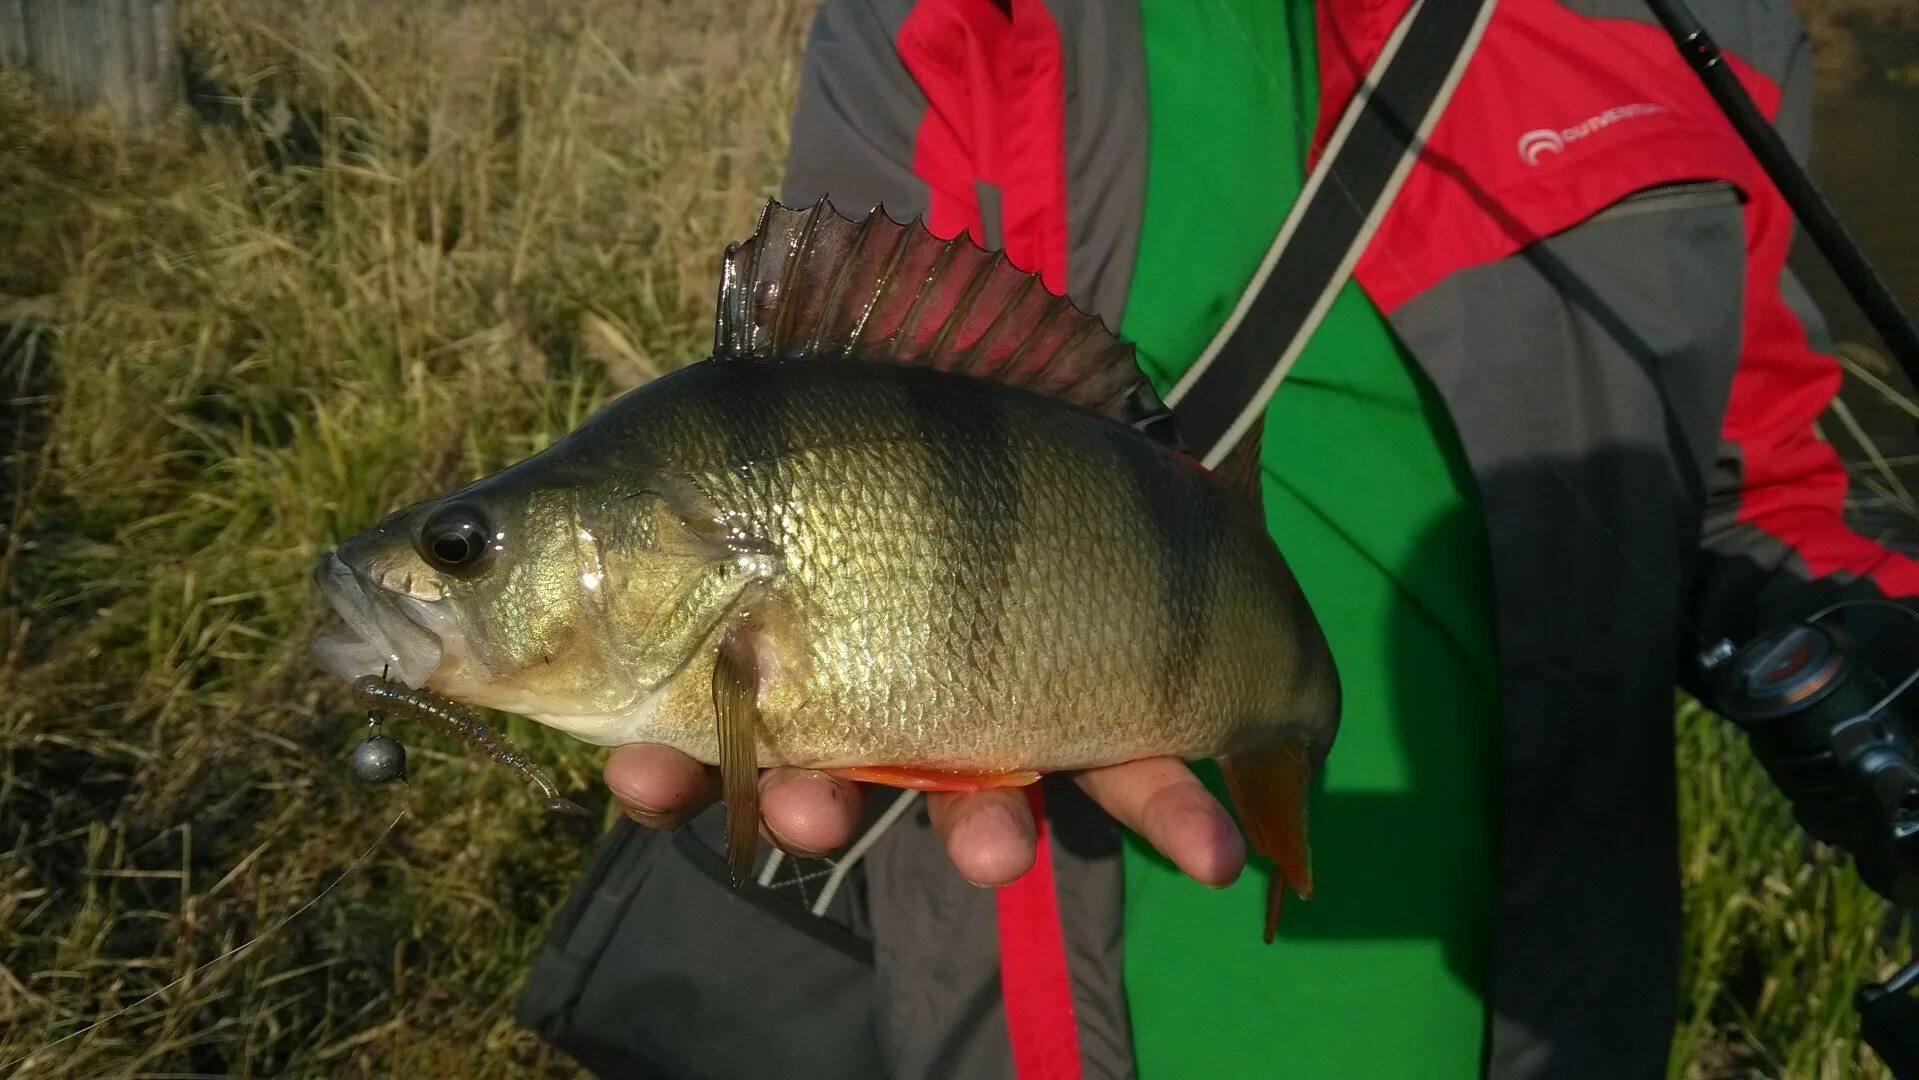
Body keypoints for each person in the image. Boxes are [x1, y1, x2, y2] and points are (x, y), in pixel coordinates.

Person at [515, 1, 1919, 1076]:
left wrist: (1862, 638)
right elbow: (850, 384)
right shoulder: (950, 14)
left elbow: (1762, 470)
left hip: (1541, 990)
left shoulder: (1709, 21)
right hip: (1037, 979)